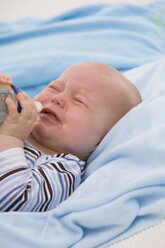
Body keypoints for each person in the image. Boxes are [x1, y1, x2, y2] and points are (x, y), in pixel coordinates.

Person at [0, 62, 142, 212]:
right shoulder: (8, 120)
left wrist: (11, 136)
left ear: (100, 140)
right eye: (54, 88)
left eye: (79, 101)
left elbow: (13, 201)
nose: (57, 98)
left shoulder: (64, 168)